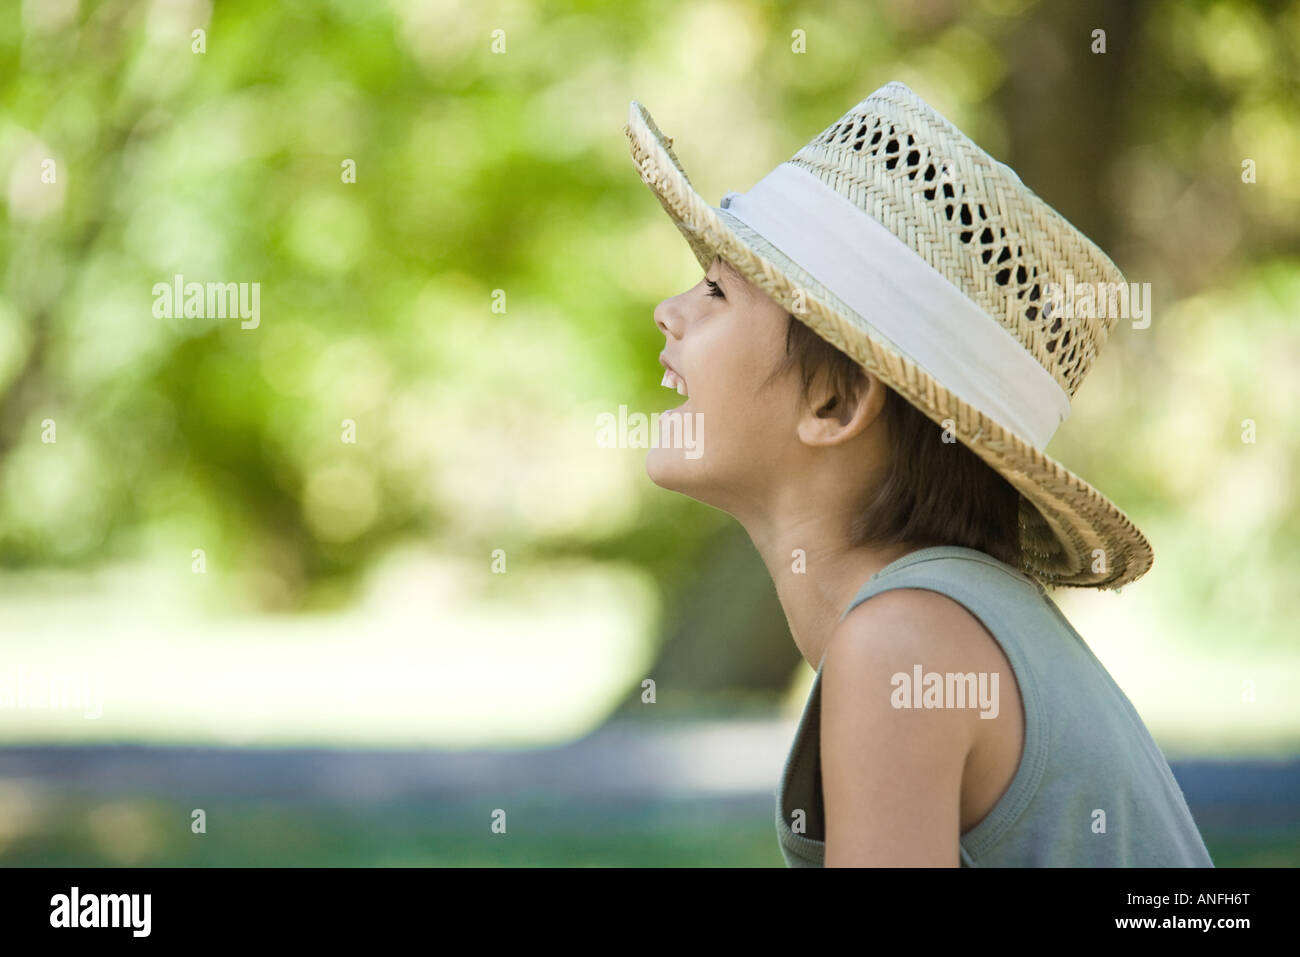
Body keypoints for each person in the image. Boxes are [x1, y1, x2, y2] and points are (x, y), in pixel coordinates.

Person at [625, 82, 1214, 867]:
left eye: (716, 290)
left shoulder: (902, 647)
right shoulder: (942, 620)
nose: (670, 310)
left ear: (835, 402)